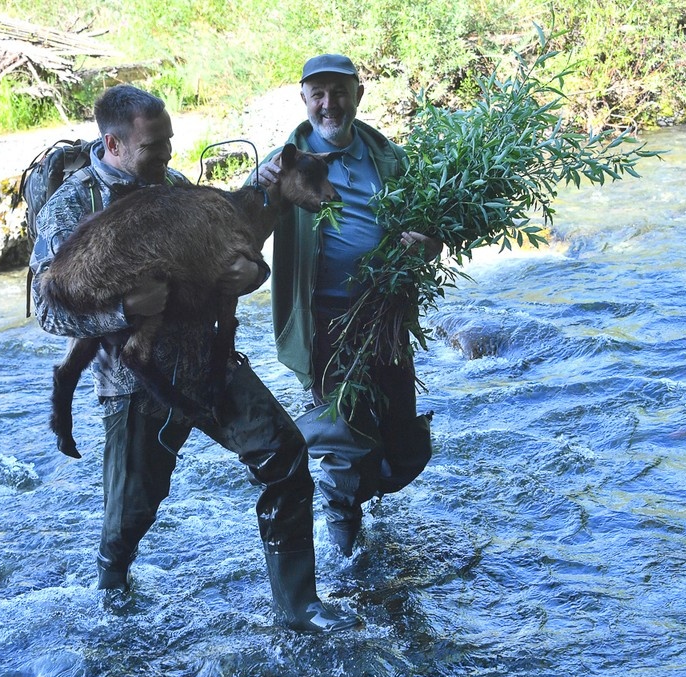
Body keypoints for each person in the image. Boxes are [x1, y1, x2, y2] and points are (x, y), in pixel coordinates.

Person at [28, 84, 358, 633]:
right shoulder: (71, 208)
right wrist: (122, 311)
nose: (168, 157)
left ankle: (299, 607)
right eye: (155, 147)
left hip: (210, 361)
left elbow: (232, 254)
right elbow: (48, 310)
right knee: (130, 515)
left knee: (285, 456)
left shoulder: (173, 186)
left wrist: (253, 274)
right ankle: (114, 592)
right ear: (113, 144)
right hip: (135, 381)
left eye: (170, 143)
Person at [255, 55, 441, 557]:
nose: (328, 103)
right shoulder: (282, 164)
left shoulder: (389, 160)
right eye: (318, 93)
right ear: (303, 99)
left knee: (405, 447)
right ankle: (345, 548)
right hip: (323, 324)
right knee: (344, 441)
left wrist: (428, 246)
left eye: (339, 91)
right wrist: (262, 187)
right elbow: (244, 221)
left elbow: (434, 235)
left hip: (385, 319)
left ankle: (348, 478)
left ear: (358, 94)